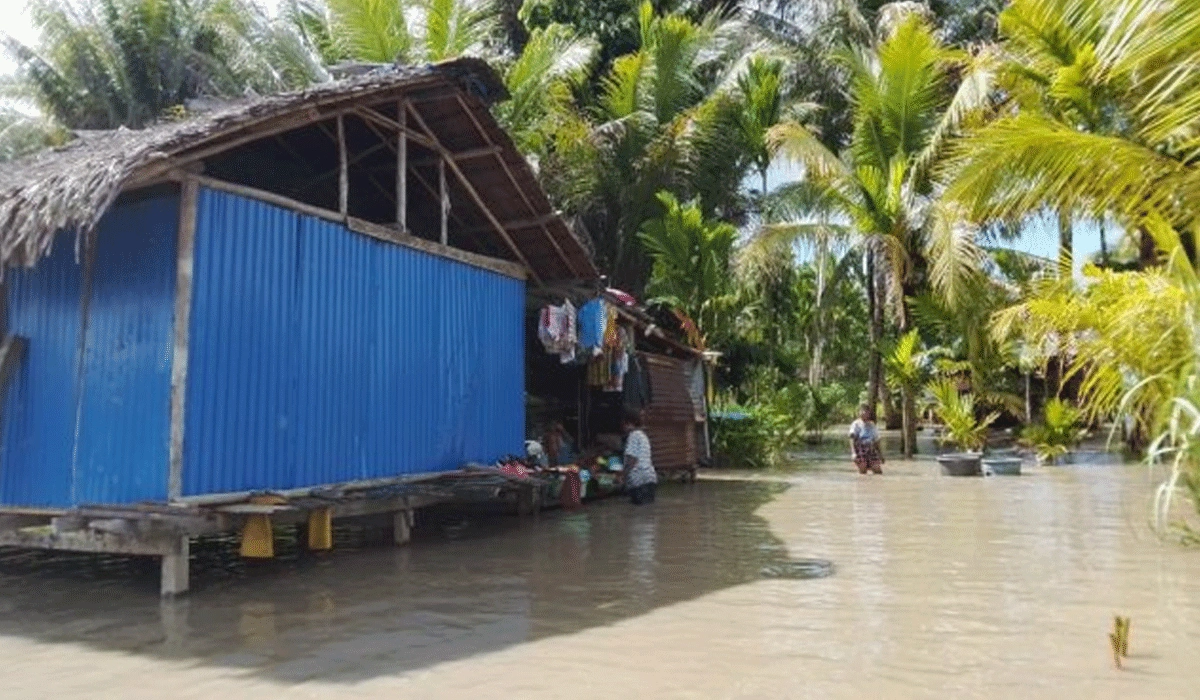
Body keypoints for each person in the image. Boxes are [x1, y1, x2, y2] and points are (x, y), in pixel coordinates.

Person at [622, 411, 658, 504]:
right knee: (647, 510)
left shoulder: (633, 436)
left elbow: (632, 459)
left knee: (638, 513)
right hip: (650, 477)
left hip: (639, 479)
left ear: (628, 423)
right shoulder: (643, 436)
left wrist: (623, 476)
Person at [849, 404, 884, 475]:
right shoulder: (856, 424)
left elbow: (876, 440)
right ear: (859, 412)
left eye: (866, 412)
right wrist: (853, 453)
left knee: (878, 471)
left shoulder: (872, 425)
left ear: (869, 413)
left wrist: (881, 455)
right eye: (862, 411)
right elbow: (852, 439)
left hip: (871, 449)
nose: (864, 414)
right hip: (860, 449)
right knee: (863, 471)